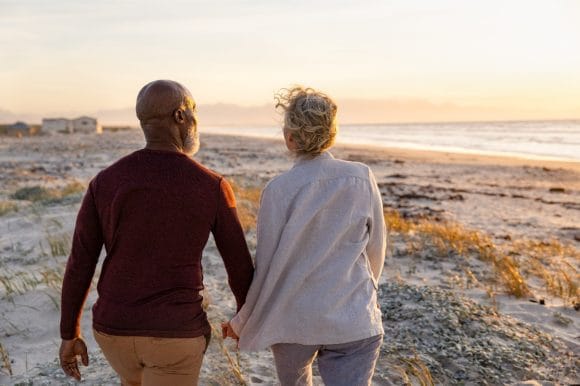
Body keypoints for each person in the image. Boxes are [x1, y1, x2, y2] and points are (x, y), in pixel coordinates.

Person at [58, 79, 254, 385]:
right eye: (193, 112)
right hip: (174, 337)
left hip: (113, 332)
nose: (195, 119)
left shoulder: (105, 182)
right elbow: (239, 267)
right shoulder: (211, 186)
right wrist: (245, 318)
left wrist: (69, 333)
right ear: (179, 117)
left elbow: (80, 263)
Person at [222, 86, 386, 386]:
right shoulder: (361, 177)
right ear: (331, 134)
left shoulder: (278, 190)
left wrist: (241, 321)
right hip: (353, 318)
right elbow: (376, 252)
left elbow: (266, 267)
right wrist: (360, 293)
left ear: (290, 138)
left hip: (293, 320)